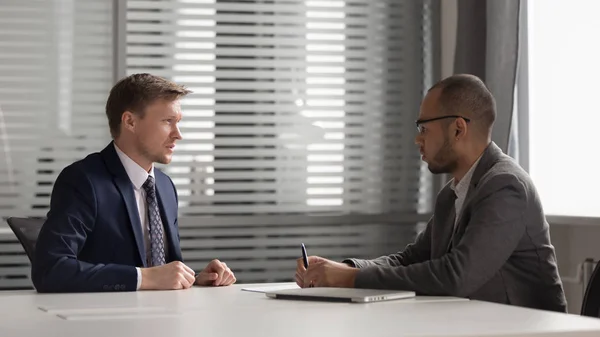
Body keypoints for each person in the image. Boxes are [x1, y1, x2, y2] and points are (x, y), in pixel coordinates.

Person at [295, 74, 567, 312]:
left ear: (458, 128)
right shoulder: (453, 194)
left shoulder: (505, 186)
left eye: (424, 128)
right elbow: (411, 259)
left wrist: (348, 280)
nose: (417, 139)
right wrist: (346, 269)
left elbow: (456, 276)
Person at [32, 73, 236, 292]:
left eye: (178, 123)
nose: (178, 135)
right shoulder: (83, 181)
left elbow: (157, 272)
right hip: (105, 321)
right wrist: (144, 278)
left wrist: (194, 279)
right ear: (130, 121)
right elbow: (50, 270)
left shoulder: (165, 187)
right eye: (168, 121)